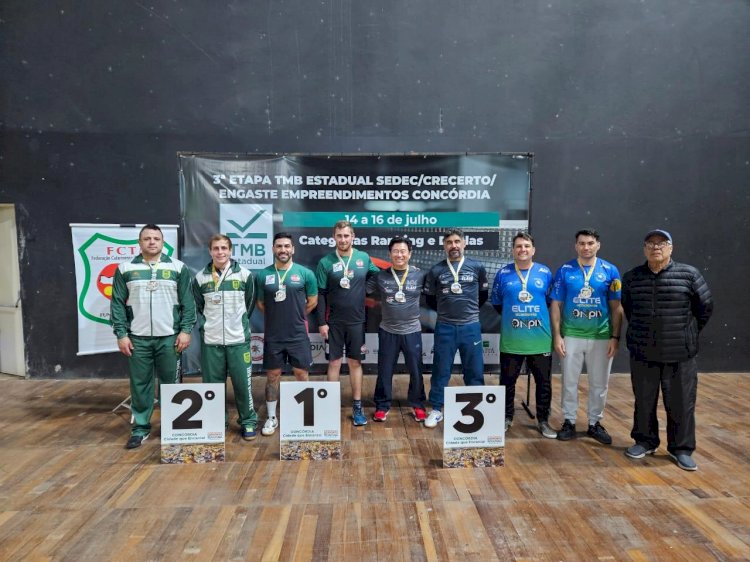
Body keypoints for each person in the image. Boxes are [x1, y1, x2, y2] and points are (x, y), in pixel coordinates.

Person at [621, 229, 713, 471]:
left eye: (662, 244)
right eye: (650, 244)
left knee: (681, 403)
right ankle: (644, 441)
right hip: (643, 352)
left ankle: (681, 449)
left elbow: (705, 308)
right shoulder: (632, 277)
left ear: (671, 248)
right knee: (643, 400)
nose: (656, 248)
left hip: (679, 354)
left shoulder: (689, 275)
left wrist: (686, 334)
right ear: (644, 249)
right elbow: (628, 309)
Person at [111, 224, 196, 449]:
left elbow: (188, 303)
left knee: (172, 385)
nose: (151, 242)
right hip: (137, 338)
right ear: (139, 242)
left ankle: (174, 427)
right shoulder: (125, 268)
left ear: (162, 242)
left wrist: (186, 330)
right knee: (140, 385)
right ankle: (140, 428)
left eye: (156, 238)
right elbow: (117, 304)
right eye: (147, 238)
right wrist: (121, 334)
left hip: (169, 337)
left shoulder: (178, 267)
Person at [550, 229, 623, 444]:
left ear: (598, 245)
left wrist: (615, 337)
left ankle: (594, 423)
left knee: (600, 383)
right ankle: (569, 421)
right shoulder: (565, 270)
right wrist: (557, 336)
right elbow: (556, 304)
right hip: (571, 335)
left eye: (590, 243)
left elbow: (616, 307)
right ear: (576, 246)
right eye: (582, 243)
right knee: (569, 382)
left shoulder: (610, 270)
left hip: (601, 336)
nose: (586, 247)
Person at [490, 232, 556, 438]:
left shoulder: (545, 273)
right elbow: (497, 303)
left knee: (543, 383)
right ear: (513, 250)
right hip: (512, 339)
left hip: (540, 339)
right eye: (518, 246)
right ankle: (506, 417)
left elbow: (550, 302)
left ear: (533, 250)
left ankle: (543, 420)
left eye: (526, 246)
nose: (522, 250)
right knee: (507, 382)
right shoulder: (503, 273)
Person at [192, 234, 258, 441]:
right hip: (211, 342)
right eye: (216, 249)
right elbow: (199, 308)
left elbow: (249, 305)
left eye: (224, 248)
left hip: (238, 341)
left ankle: (247, 421)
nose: (220, 252)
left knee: (242, 385)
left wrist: (235, 326)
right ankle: (216, 422)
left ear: (230, 250)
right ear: (210, 251)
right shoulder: (200, 277)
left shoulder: (245, 275)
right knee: (212, 386)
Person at [423, 228, 489, 428]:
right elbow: (431, 299)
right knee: (441, 369)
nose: (454, 245)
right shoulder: (436, 270)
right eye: (449, 242)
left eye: (457, 241)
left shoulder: (477, 267)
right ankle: (436, 409)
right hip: (445, 327)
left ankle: (479, 410)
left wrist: (467, 313)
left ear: (464, 243)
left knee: (474, 369)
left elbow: (483, 297)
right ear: (444, 246)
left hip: (471, 326)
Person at [316, 220, 379, 426]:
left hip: (357, 321)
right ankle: (330, 406)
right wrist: (322, 322)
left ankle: (357, 405)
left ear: (353, 237)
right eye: (339, 236)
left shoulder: (362, 257)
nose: (343, 239)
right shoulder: (325, 262)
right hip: (333, 321)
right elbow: (321, 294)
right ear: (334, 237)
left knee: (355, 362)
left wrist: (366, 289)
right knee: (333, 362)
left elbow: (375, 275)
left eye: (346, 235)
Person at [256, 233, 318, 436]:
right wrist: (277, 317)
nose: (283, 250)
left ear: (293, 249)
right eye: (279, 246)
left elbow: (312, 301)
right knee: (273, 376)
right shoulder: (263, 275)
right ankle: (272, 417)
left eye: (287, 246)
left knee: (301, 374)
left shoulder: (305, 273)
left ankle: (305, 415)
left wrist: (296, 317)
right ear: (273, 249)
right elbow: (260, 303)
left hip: (298, 334)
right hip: (274, 335)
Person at [367, 237, 427, 422]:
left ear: (409, 254)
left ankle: (418, 405)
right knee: (384, 370)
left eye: (403, 251)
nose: (399, 255)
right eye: (396, 251)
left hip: (412, 331)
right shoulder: (380, 276)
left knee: (416, 370)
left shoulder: (420, 275)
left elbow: (434, 295)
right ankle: (382, 405)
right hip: (388, 331)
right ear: (389, 254)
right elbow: (363, 291)